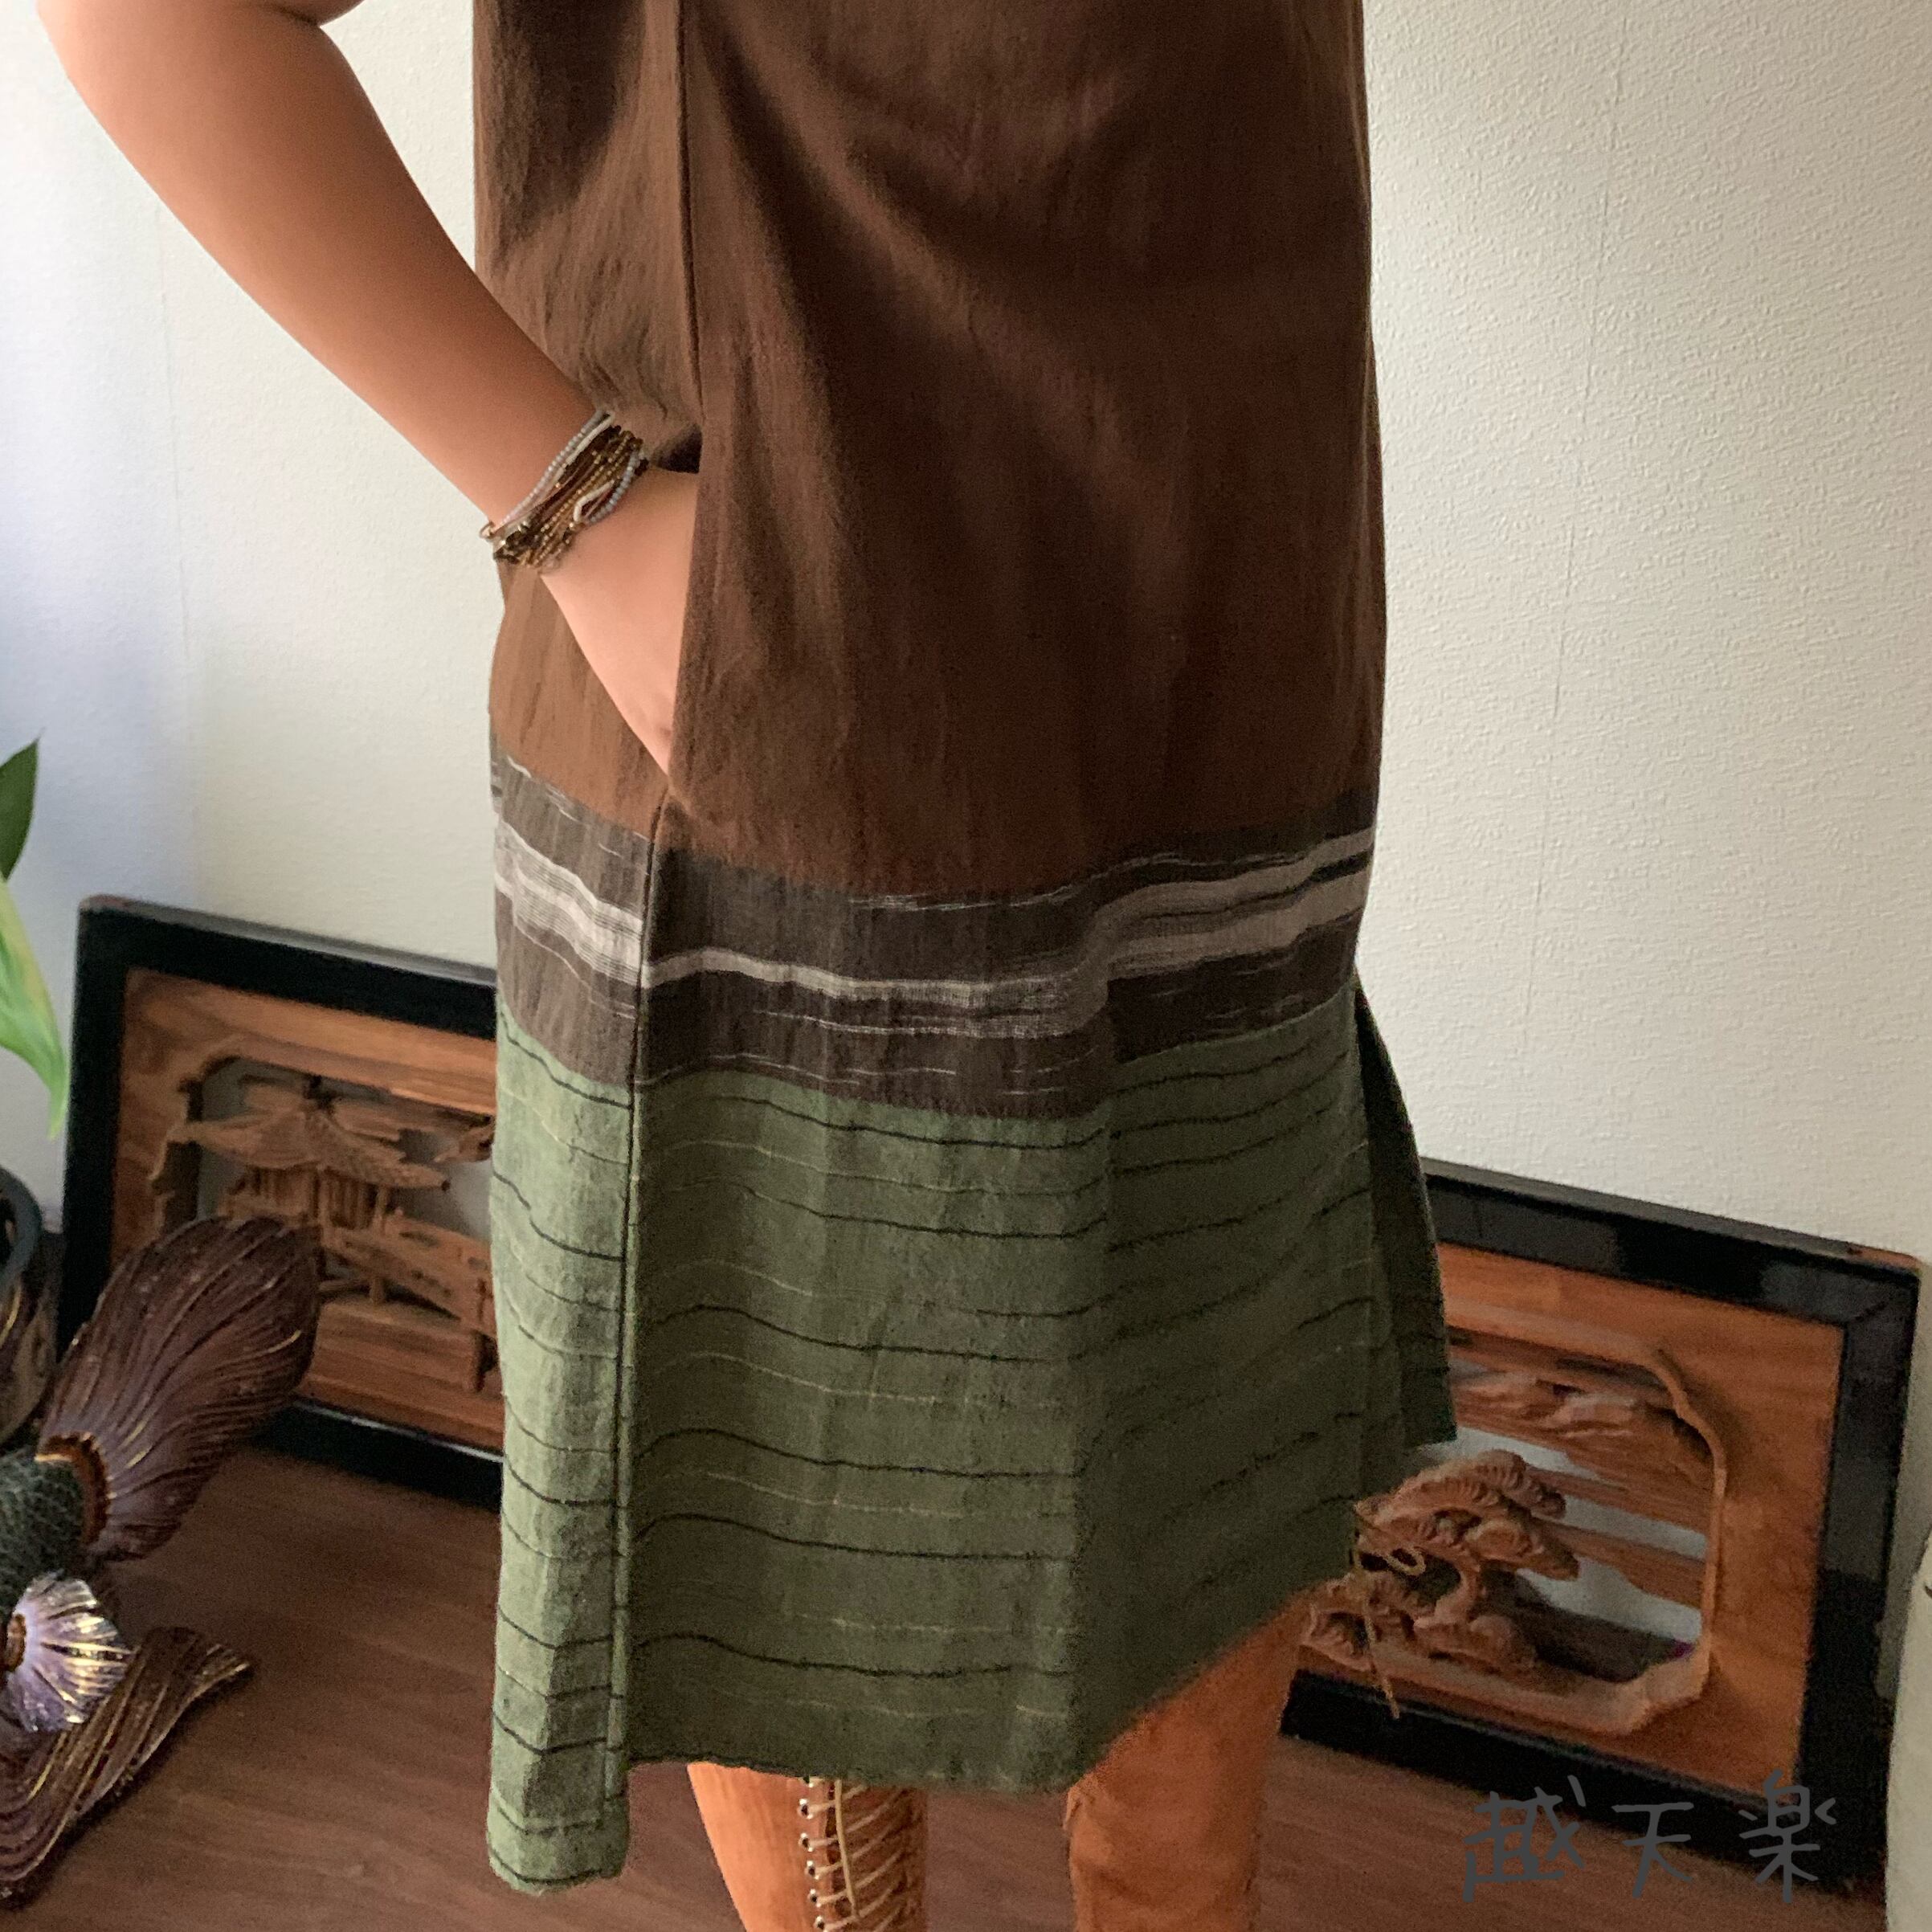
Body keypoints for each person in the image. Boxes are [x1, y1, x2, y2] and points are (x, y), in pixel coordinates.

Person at [39, 3, 1457, 1926]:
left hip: (1221, 690)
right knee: (797, 1591)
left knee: (1202, 1503)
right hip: (796, 734)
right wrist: (573, 506)